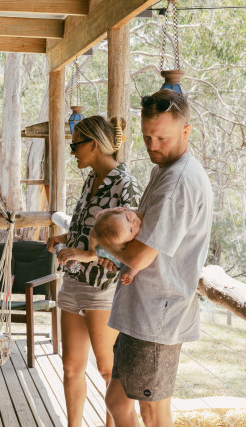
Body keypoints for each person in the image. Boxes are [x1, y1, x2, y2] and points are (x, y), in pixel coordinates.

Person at [101, 89, 213, 427]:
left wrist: (103, 241)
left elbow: (137, 257)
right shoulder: (163, 169)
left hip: (158, 316)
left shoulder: (177, 182)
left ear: (186, 131)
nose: (152, 145)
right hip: (144, 310)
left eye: (162, 138)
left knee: (153, 413)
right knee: (117, 401)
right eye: (147, 136)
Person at [46, 116, 142, 427]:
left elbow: (134, 242)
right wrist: (65, 239)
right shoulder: (91, 180)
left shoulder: (126, 185)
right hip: (73, 283)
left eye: (75, 145)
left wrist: (87, 254)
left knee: (107, 370)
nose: (73, 151)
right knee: (71, 367)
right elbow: (90, 230)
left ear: (94, 145)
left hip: (103, 289)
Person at [90, 207, 143, 285]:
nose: (134, 223)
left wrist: (100, 215)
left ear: (121, 211)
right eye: (131, 230)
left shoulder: (125, 211)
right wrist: (131, 274)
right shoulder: (136, 241)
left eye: (127, 219)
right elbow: (137, 261)